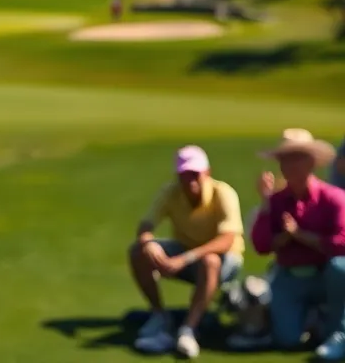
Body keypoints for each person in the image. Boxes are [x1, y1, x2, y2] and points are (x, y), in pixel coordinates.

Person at [129, 145, 245, 357]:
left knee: (210, 261)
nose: (190, 181)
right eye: (185, 175)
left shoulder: (224, 193)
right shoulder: (170, 192)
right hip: (185, 252)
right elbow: (145, 226)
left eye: (195, 174)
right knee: (138, 251)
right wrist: (148, 243)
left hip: (225, 260)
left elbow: (227, 240)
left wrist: (185, 258)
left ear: (207, 173)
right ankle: (159, 315)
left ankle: (188, 329)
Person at [251, 128, 345, 359]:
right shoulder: (276, 201)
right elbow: (261, 245)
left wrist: (301, 236)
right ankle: (313, 317)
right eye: (285, 159)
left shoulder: (333, 198)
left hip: (324, 276)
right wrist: (265, 204)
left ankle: (336, 330)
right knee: (287, 339)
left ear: (311, 162)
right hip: (290, 277)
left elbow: (342, 243)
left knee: (340, 268)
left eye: (296, 158)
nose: (289, 165)